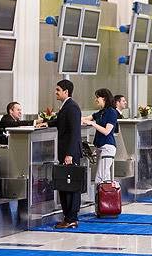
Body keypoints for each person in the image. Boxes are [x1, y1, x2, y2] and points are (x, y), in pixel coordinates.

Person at [47, 80, 82, 229]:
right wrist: (46, 123)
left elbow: (75, 132)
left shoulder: (72, 107)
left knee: (70, 186)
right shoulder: (66, 107)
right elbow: (61, 122)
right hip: (66, 152)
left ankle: (71, 218)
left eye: (58, 90)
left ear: (66, 92)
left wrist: (69, 154)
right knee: (65, 185)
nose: (56, 92)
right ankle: (68, 217)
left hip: (70, 153)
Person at [82, 88, 118, 185]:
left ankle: (100, 199)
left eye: (98, 97)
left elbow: (106, 131)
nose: (96, 100)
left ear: (104, 98)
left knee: (100, 178)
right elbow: (85, 119)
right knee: (105, 177)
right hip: (100, 147)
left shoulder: (111, 112)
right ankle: (107, 199)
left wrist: (93, 124)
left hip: (107, 147)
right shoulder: (101, 112)